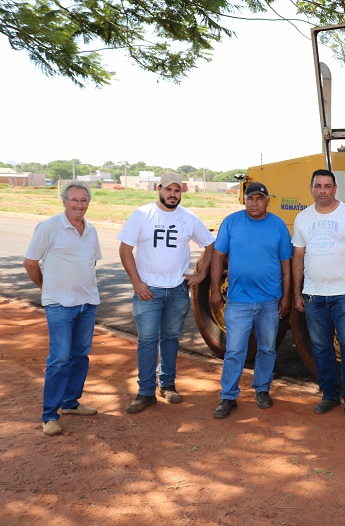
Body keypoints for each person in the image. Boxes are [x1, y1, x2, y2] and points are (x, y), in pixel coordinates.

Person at [118, 172, 215, 414]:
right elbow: (125, 250)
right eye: (168, 190)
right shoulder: (142, 214)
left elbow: (210, 244)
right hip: (148, 290)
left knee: (171, 339)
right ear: (158, 189)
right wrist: (137, 283)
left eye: (177, 191)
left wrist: (201, 275)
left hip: (177, 290)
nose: (173, 194)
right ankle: (145, 392)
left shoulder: (188, 218)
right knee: (148, 340)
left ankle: (168, 385)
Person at [292, 169, 345, 423]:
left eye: (327, 186)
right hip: (314, 295)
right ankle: (328, 395)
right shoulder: (303, 218)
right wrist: (297, 293)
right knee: (321, 348)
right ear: (311, 188)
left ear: (335, 188)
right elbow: (298, 258)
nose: (323, 190)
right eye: (318, 186)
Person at [23, 182, 102, 436]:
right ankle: (49, 416)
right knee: (59, 358)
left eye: (83, 200)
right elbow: (30, 262)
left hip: (87, 303)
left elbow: (90, 264)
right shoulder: (49, 227)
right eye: (74, 200)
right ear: (64, 201)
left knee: (80, 355)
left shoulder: (91, 230)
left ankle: (70, 403)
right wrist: (47, 289)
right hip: (59, 305)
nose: (79, 205)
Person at [210, 182, 292, 419]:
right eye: (250, 198)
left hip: (269, 301)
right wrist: (215, 291)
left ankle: (262, 389)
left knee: (267, 348)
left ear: (267, 201)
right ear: (244, 200)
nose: (254, 203)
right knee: (235, 350)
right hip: (238, 301)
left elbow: (286, 264)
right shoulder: (231, 222)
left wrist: (286, 296)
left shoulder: (278, 226)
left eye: (259, 198)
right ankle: (228, 396)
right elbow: (218, 258)